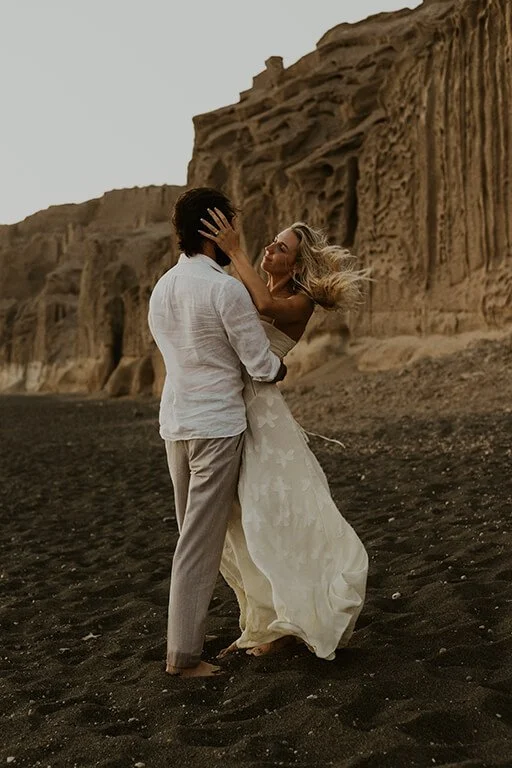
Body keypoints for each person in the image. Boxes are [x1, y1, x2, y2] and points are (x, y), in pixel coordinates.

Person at [198, 207, 370, 660]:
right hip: (231, 408)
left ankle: (289, 618)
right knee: (240, 519)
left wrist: (235, 250)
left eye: (282, 247)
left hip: (262, 417)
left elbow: (266, 308)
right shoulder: (245, 288)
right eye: (271, 242)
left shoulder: (299, 300)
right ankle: (263, 621)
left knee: (269, 514)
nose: (270, 249)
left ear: (297, 264)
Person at [148, 188, 286, 678]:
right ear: (216, 230)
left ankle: (257, 622)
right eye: (230, 223)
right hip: (215, 427)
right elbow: (261, 365)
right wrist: (279, 366)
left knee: (193, 535)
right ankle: (183, 658)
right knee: (198, 544)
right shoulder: (225, 289)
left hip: (175, 426)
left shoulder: (162, 287)